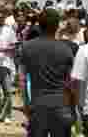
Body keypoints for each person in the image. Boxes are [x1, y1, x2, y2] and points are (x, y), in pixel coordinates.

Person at [18, 8, 75, 137]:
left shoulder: (27, 47)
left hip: (38, 106)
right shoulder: (66, 49)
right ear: (56, 26)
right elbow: (71, 83)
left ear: (39, 24)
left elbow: (22, 79)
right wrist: (73, 108)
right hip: (61, 106)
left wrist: (26, 104)